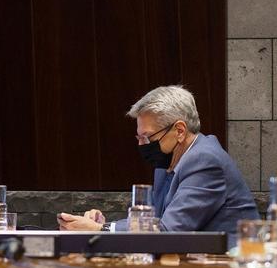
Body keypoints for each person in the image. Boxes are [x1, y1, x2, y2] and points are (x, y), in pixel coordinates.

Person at [58, 84, 258, 233]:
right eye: (139, 138)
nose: (142, 145)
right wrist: (102, 225)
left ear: (179, 130)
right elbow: (151, 223)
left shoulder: (205, 161)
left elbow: (168, 231)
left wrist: (99, 231)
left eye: (148, 137)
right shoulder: (166, 163)